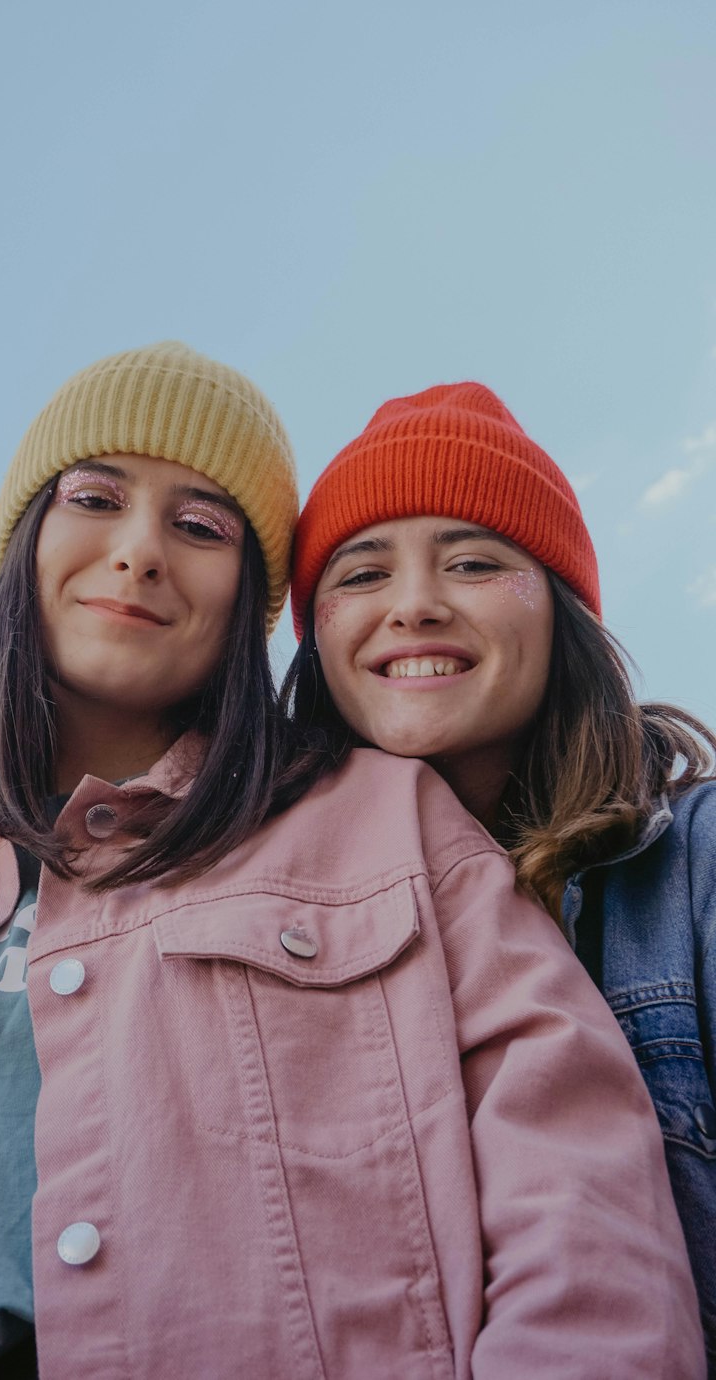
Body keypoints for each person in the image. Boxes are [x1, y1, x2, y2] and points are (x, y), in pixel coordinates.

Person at [0, 348, 703, 1379]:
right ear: (27, 543)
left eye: (199, 526)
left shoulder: (385, 823)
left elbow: (579, 1211)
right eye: (94, 498)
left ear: (255, 603)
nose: (139, 552)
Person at [287, 379, 716, 1373]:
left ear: (560, 614)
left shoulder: (692, 866)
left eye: (475, 561)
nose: (414, 605)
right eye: (360, 574)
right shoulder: (267, 923)